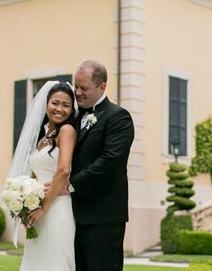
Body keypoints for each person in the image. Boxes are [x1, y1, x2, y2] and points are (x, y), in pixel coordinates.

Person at [69, 60, 135, 271]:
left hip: (103, 218)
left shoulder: (118, 117)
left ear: (102, 86)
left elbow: (110, 161)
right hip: (72, 216)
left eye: (84, 88)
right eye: (75, 86)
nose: (77, 93)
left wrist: (70, 185)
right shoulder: (73, 117)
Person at [7, 81, 77, 271]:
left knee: (55, 262)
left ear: (72, 109)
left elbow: (63, 170)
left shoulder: (66, 131)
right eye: (55, 103)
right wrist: (25, 203)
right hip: (38, 210)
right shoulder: (43, 136)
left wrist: (43, 208)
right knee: (36, 261)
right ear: (46, 103)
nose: (60, 109)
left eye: (66, 105)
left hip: (56, 208)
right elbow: (34, 174)